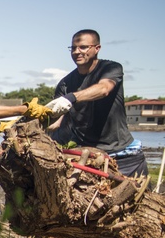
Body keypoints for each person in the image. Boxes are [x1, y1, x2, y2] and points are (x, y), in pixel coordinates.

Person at [46, 29, 147, 177]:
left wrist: (71, 98)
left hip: (122, 154)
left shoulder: (111, 68)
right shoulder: (65, 84)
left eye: (83, 47)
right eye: (73, 48)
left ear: (97, 48)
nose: (77, 52)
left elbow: (104, 89)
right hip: (89, 156)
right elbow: (56, 123)